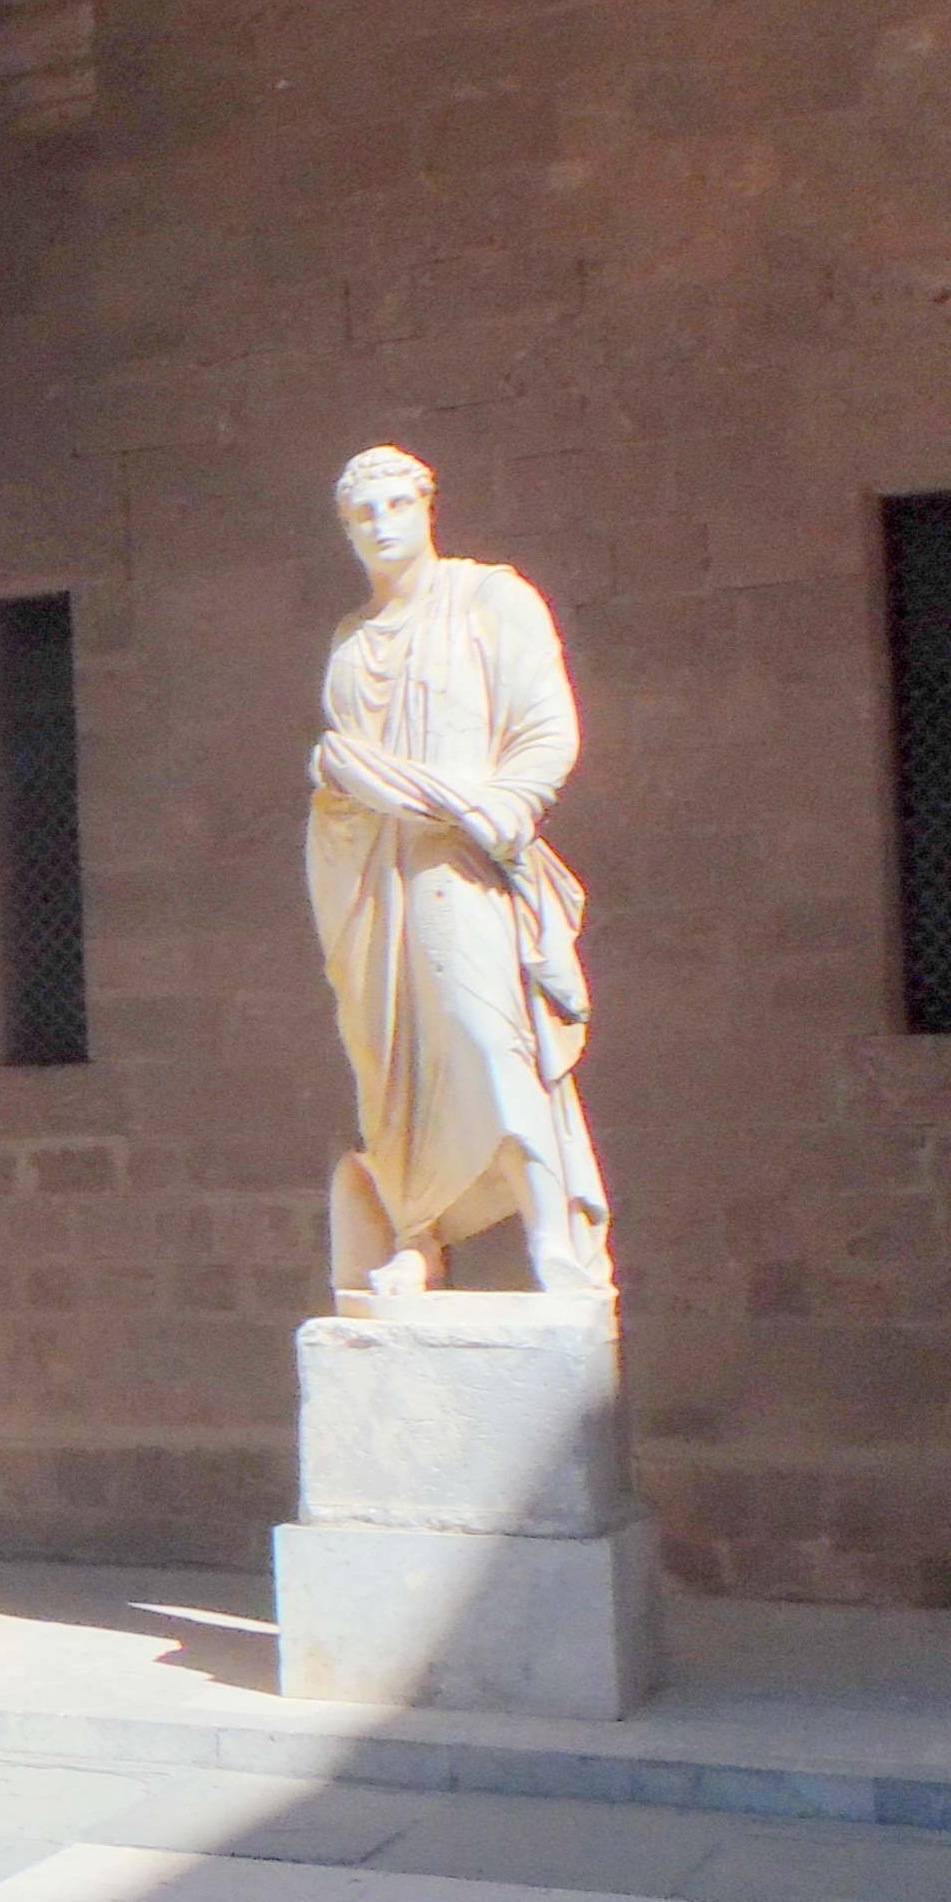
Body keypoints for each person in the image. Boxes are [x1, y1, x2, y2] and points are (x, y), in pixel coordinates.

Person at [306, 448, 615, 1301]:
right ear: (344, 530)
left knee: (486, 1033)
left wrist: (510, 802)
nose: (380, 524)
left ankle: (550, 1226)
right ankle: (419, 1233)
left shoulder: (488, 599)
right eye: (361, 513)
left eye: (395, 504)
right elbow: (348, 766)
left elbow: (546, 723)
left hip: (460, 855)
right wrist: (335, 780)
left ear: (426, 507)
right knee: (390, 1060)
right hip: (372, 871)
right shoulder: (351, 638)